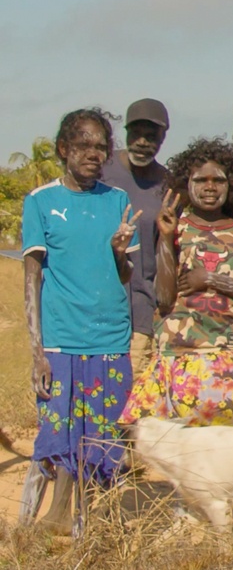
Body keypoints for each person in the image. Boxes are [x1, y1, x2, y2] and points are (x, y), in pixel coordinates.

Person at [23, 108, 141, 533]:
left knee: (102, 439)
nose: (94, 154)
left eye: (100, 147)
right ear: (63, 149)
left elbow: (126, 275)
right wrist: (37, 352)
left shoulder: (118, 203)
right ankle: (39, 521)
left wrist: (118, 249)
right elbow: (32, 277)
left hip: (111, 340)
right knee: (55, 437)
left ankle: (90, 526)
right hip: (59, 342)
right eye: (84, 146)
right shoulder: (41, 202)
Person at [122, 137, 233, 427]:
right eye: (201, 180)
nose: (210, 187)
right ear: (186, 184)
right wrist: (165, 238)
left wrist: (210, 279)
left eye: (218, 180)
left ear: (232, 185)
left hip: (231, 353)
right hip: (180, 355)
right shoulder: (175, 229)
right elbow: (163, 298)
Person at [99, 97, 169, 376]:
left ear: (164, 138)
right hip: (97, 302)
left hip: (140, 305)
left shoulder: (167, 184)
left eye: (152, 136)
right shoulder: (101, 169)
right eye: (136, 134)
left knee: (134, 391)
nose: (142, 142)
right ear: (125, 132)